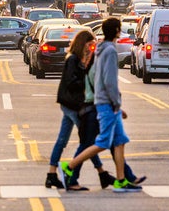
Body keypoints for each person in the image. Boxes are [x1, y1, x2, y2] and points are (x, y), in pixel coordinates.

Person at [59, 17, 141, 192]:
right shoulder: (110, 51)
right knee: (103, 142)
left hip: (104, 102)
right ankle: (70, 166)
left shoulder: (100, 49)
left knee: (119, 141)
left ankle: (121, 180)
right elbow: (110, 80)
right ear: (118, 31)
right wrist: (116, 102)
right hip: (107, 103)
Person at [46, 30, 109, 190]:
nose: (91, 47)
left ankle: (51, 174)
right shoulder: (73, 59)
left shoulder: (78, 59)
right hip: (73, 104)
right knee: (87, 142)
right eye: (89, 44)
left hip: (70, 104)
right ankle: (92, 174)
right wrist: (86, 81)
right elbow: (72, 81)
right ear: (83, 43)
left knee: (63, 140)